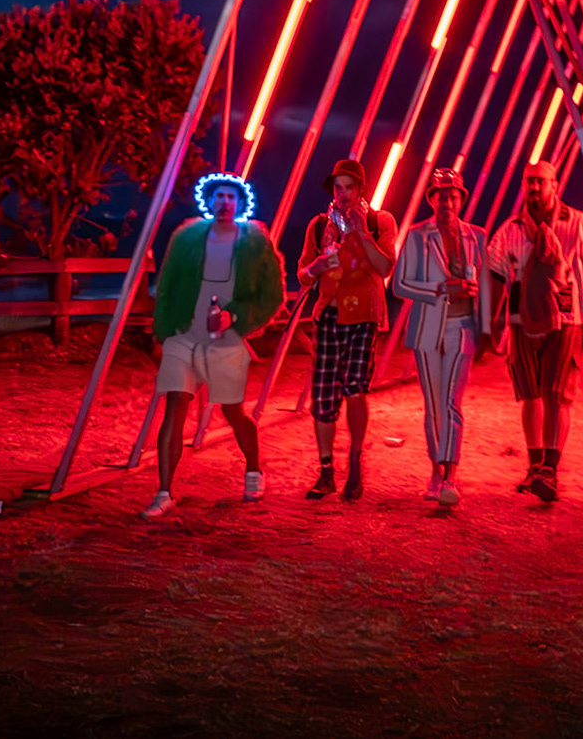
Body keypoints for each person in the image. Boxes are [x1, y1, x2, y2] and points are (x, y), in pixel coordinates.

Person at [141, 173, 283, 518]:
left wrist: (235, 316)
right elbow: (168, 283)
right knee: (175, 405)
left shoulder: (254, 242)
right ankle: (164, 492)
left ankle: (253, 470)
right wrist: (165, 329)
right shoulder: (187, 238)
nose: (224, 203)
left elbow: (271, 295)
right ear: (208, 201)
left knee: (232, 410)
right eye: (219, 196)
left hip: (225, 339)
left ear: (241, 203)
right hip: (185, 333)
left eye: (231, 197)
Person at [486, 159, 583, 503]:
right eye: (529, 181)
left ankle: (550, 470)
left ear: (555, 185)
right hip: (521, 320)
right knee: (529, 393)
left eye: (540, 181)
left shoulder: (578, 223)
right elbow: (496, 275)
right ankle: (534, 465)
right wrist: (492, 321)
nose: (534, 187)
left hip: (568, 319)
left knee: (558, 394)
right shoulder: (511, 229)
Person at [391, 167, 496, 509]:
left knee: (451, 401)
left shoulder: (476, 236)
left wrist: (486, 329)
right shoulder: (415, 236)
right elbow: (399, 285)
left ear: (461, 200)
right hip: (426, 329)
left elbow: (486, 285)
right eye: (441, 197)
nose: (447, 203)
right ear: (431, 199)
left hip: (462, 327)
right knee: (434, 404)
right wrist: (440, 289)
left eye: (453, 197)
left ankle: (450, 473)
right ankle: (436, 470)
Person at [295, 158, 396, 502]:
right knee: (323, 396)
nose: (342, 194)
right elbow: (302, 274)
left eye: (349, 187)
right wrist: (316, 266)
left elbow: (385, 266)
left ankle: (355, 463)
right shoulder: (320, 224)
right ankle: (326, 471)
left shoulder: (379, 221)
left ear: (361, 189)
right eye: (338, 188)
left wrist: (362, 232)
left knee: (355, 388)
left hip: (364, 314)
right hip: (328, 314)